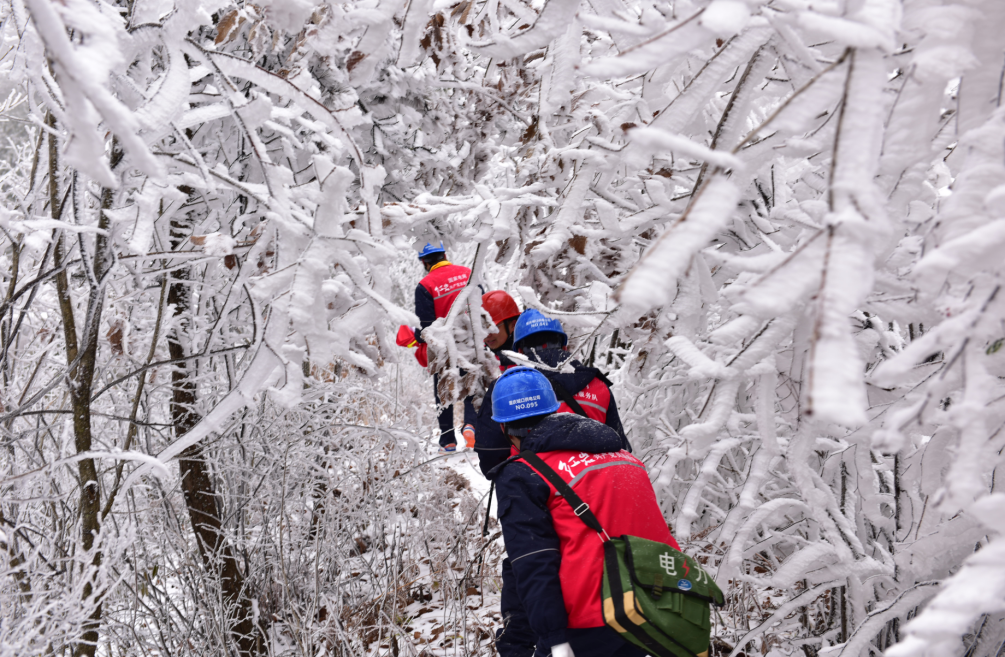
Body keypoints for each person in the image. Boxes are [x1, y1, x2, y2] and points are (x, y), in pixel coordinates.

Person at [490, 367, 681, 657]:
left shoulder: (522, 474)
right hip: (656, 606)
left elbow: (533, 561)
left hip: (589, 622)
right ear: (553, 410)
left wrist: (553, 638)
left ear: (504, 428)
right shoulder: (626, 458)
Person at [475, 309, 627, 477]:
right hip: (596, 490)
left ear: (518, 351)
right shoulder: (598, 384)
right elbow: (620, 448)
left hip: (531, 489)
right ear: (564, 345)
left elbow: (490, 456)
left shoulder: (505, 389)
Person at [411, 242, 471, 452]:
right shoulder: (468, 273)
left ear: (423, 262)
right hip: (471, 341)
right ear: (445, 254)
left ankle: (448, 441)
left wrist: (413, 336)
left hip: (444, 348)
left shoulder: (425, 286)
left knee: (444, 390)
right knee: (474, 386)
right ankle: (472, 427)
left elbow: (426, 327)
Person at [461, 290, 522, 447]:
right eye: (482, 330)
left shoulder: (527, 356)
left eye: (493, 327)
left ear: (513, 324)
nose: (487, 335)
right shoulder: (492, 358)